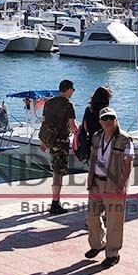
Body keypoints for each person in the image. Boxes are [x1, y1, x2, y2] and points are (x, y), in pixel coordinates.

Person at [84, 107, 135, 269]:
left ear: (116, 120)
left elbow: (128, 163)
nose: (108, 121)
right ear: (100, 121)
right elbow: (93, 159)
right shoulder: (97, 137)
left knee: (114, 221)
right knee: (92, 216)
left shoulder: (124, 139)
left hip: (114, 185)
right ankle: (98, 244)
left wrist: (122, 184)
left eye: (111, 118)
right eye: (105, 118)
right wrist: (90, 180)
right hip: (96, 183)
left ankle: (112, 253)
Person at [39, 79, 78, 215]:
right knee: (58, 173)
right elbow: (72, 126)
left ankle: (55, 201)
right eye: (72, 90)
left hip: (50, 141)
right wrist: (80, 134)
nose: (73, 92)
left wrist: (43, 141)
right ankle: (55, 203)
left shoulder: (48, 103)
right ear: (67, 89)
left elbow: (43, 122)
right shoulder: (69, 105)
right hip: (61, 142)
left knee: (55, 170)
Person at [81, 86, 113, 156]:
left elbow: (84, 127)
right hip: (104, 143)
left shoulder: (88, 110)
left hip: (91, 143)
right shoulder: (106, 113)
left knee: (92, 165)